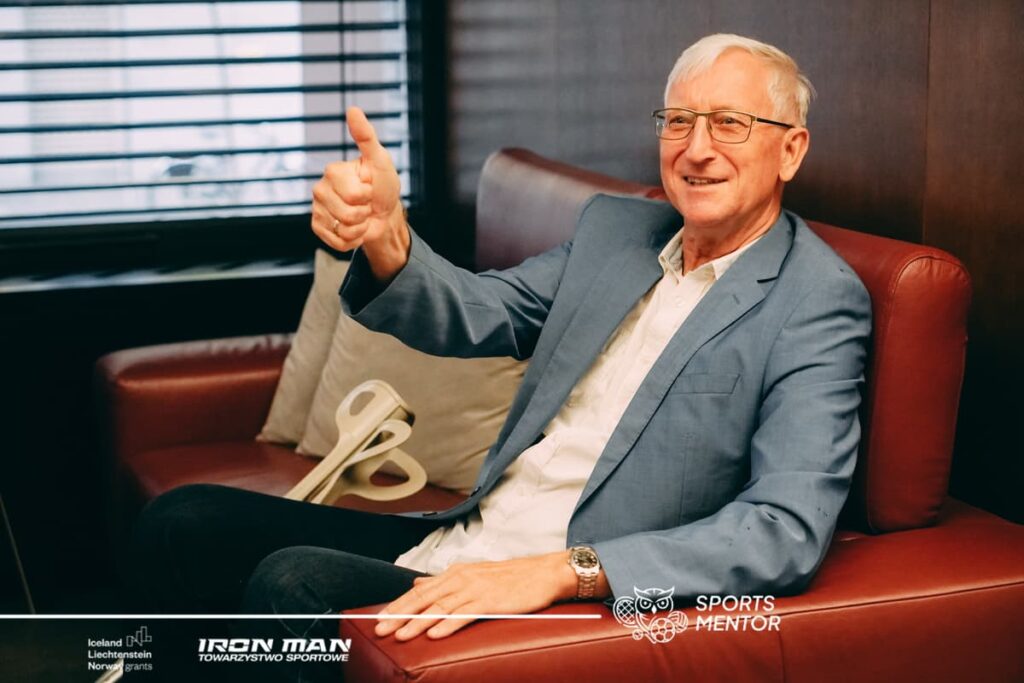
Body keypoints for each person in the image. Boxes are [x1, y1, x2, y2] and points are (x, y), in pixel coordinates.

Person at [129, 33, 870, 680]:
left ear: (791, 149)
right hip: (460, 534)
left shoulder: (815, 299)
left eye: (730, 124)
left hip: (562, 589)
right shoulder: (619, 234)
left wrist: (567, 572)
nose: (697, 147)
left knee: (293, 584)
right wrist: (388, 237)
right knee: (182, 521)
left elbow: (784, 528)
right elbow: (483, 310)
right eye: (679, 120)